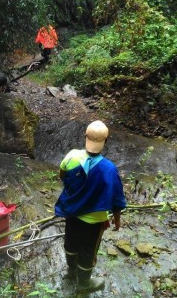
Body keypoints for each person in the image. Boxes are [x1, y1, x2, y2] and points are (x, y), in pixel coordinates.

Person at [54, 120, 127, 294]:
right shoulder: (109, 169)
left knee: (70, 242)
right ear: (105, 141)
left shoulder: (71, 156)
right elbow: (117, 200)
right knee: (88, 250)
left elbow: (62, 176)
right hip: (94, 221)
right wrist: (117, 220)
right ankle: (84, 284)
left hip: (71, 212)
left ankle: (71, 272)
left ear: (85, 137)